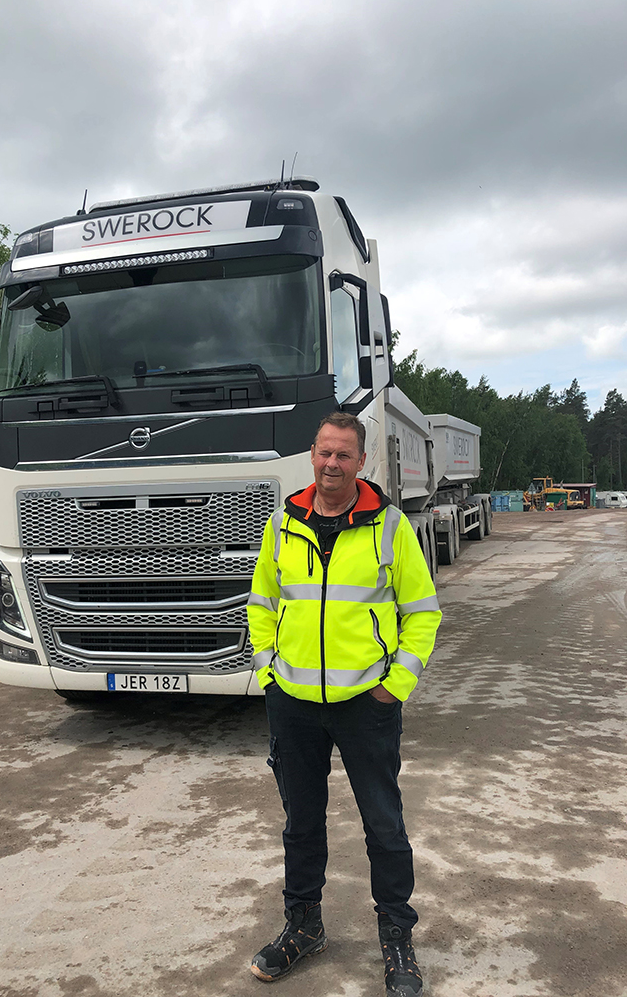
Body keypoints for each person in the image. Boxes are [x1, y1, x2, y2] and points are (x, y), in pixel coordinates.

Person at [246, 411, 441, 996]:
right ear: (312, 455)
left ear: (362, 462)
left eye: (344, 455)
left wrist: (393, 686)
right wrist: (269, 673)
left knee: (384, 824)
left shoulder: (389, 527)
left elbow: (423, 612)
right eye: (324, 453)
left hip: (366, 704)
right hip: (294, 705)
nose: (332, 464)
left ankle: (397, 939)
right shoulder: (282, 523)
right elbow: (261, 602)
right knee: (301, 825)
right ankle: (303, 928)